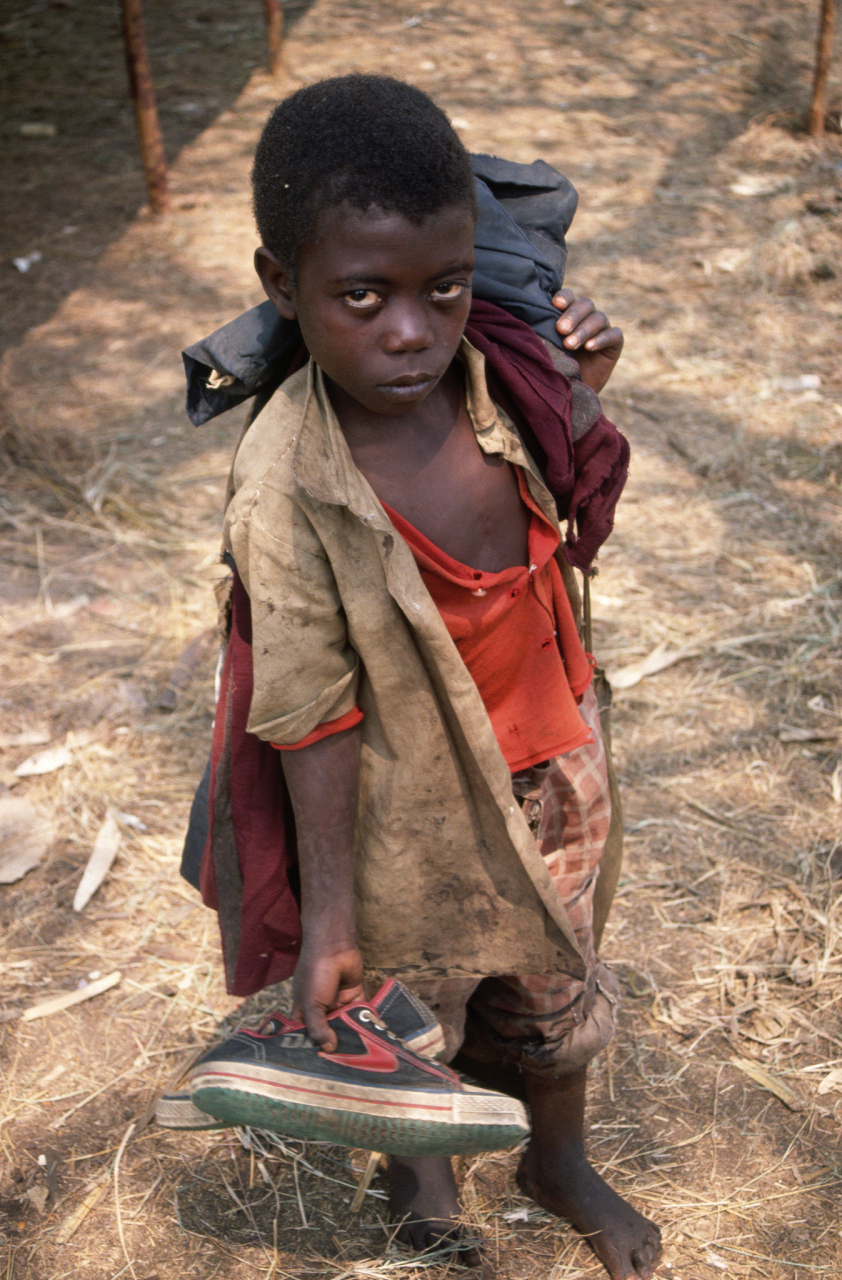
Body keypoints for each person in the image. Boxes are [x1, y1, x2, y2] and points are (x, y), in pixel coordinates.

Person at [201, 74, 662, 1280]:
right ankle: (424, 1181)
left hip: (553, 753)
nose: (409, 329)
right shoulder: (287, 479)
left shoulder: (498, 369)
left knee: (555, 974)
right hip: (398, 805)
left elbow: (560, 475)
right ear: (280, 285)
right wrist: (332, 917)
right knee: (415, 1006)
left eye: (441, 287)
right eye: (361, 296)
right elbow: (304, 705)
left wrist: (585, 374)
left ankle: (554, 1156)